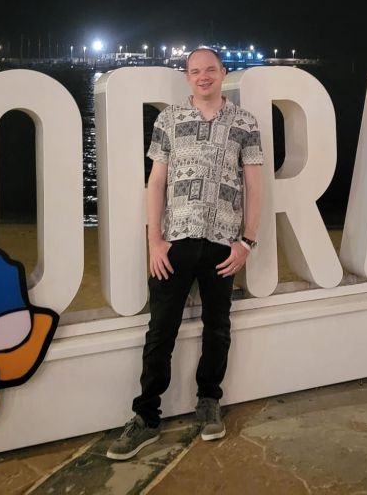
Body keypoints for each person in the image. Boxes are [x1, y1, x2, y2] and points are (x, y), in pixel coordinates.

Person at [107, 47, 263, 460]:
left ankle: (209, 402)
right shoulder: (169, 120)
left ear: (223, 73)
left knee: (218, 329)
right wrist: (154, 240)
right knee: (160, 332)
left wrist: (247, 241)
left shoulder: (245, 122)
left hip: (223, 246)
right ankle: (146, 418)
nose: (204, 76)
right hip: (173, 244)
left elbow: (255, 185)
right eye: (196, 71)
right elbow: (155, 183)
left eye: (211, 69)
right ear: (187, 77)